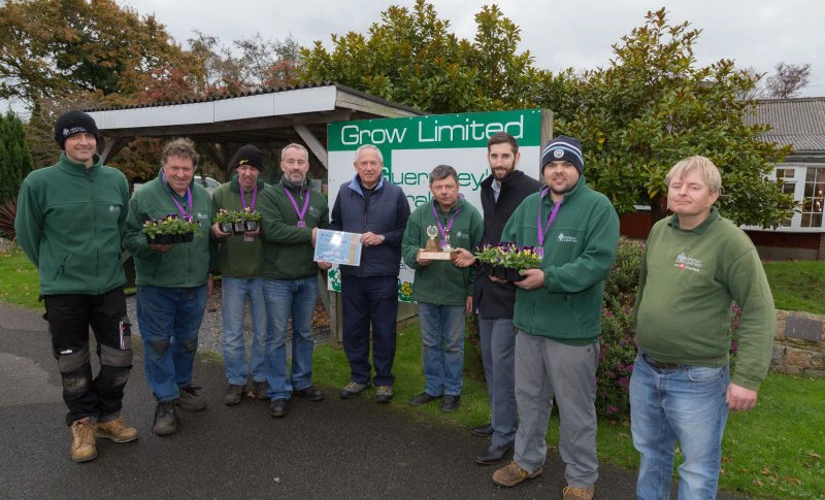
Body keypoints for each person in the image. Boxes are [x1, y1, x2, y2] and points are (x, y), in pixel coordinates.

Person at [630, 156, 776, 499]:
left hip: (699, 378)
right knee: (651, 455)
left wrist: (748, 378)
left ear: (713, 196)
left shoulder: (731, 243)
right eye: (676, 185)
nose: (682, 192)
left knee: (697, 468)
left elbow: (759, 309)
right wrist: (641, 331)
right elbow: (644, 286)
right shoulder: (658, 231)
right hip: (647, 369)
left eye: (693, 187)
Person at [491, 136, 619, 500]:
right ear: (543, 169)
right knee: (529, 401)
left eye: (566, 165)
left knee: (576, 410)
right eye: (551, 165)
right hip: (529, 325)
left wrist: (549, 277)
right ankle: (527, 461)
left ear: (578, 169)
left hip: (571, 331)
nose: (558, 170)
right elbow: (507, 245)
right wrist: (502, 267)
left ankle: (581, 478)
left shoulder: (598, 208)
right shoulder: (530, 204)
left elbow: (596, 263)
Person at [15, 110, 138, 462]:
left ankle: (108, 416)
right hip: (64, 290)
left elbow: (123, 228)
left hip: (110, 286)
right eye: (75, 136)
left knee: (120, 357)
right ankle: (83, 422)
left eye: (89, 136)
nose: (84, 142)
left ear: (96, 140)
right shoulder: (40, 183)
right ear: (63, 142)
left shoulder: (114, 179)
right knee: (73, 362)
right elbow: (28, 235)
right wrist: (56, 268)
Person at [453, 132, 542, 465]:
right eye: (494, 156)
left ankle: (504, 436)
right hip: (485, 289)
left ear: (517, 158)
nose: (499, 162)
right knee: (491, 363)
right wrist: (477, 257)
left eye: (506, 156)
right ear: (488, 158)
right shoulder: (486, 187)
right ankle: (499, 421)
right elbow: (493, 238)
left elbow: (531, 244)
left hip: (511, 292)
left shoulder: (532, 190)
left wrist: (507, 273)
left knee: (504, 366)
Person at [124, 137, 215, 437]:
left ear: (194, 169)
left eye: (186, 169)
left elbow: (208, 243)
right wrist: (151, 245)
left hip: (194, 285)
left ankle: (182, 386)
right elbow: (129, 237)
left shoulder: (203, 197)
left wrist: (211, 272)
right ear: (163, 166)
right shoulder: (145, 196)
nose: (180, 174)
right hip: (157, 286)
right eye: (174, 167)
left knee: (188, 340)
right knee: (158, 342)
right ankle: (165, 400)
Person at [328, 144, 410, 403]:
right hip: (351, 275)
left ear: (381, 166)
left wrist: (383, 237)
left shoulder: (395, 193)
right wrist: (326, 249)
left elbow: (405, 230)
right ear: (356, 166)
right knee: (354, 328)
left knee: (384, 330)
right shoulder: (343, 191)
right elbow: (336, 226)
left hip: (382, 275)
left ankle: (384, 381)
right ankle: (359, 377)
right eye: (363, 163)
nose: (368, 167)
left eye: (373, 163)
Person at [401, 165, 483, 413]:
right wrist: (417, 256)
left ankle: (453, 391)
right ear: (431, 188)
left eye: (449, 186)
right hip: (427, 292)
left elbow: (479, 256)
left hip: (456, 294)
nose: (444, 192)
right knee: (429, 342)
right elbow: (407, 247)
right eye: (439, 187)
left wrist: (471, 292)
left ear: (457, 186)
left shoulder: (472, 215)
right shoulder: (421, 214)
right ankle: (433, 388)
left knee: (455, 345)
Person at [259, 143, 329, 418]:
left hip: (308, 278)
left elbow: (324, 234)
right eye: (291, 162)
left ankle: (302, 382)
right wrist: (309, 235)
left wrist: (324, 255)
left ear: (308, 166)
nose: (296, 167)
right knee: (276, 337)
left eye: (301, 162)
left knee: (304, 333)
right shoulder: (270, 196)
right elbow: (272, 230)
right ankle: (278, 391)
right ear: (282, 165)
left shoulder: (318, 199)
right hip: (277, 278)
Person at [210, 144, 269, 405]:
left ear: (259, 172)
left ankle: (260, 376)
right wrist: (215, 230)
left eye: (253, 168)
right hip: (233, 273)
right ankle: (236, 380)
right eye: (244, 167)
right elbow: (209, 231)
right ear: (237, 169)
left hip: (263, 272)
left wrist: (264, 230)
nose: (248, 173)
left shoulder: (269, 194)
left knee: (263, 330)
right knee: (233, 332)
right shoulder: (222, 194)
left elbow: (277, 227)